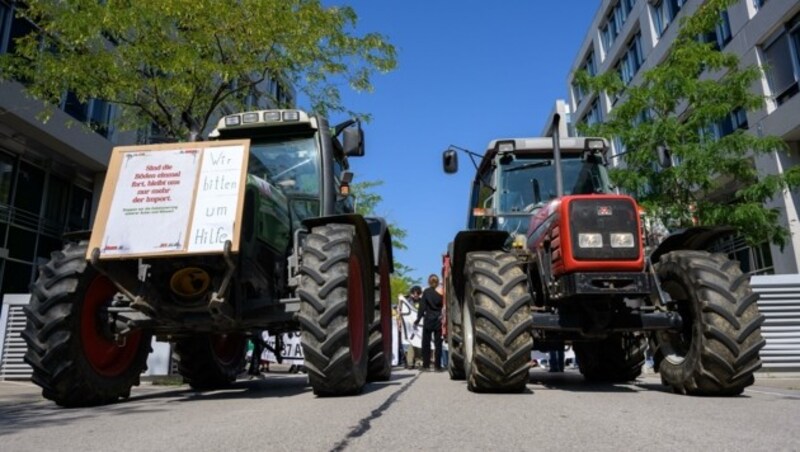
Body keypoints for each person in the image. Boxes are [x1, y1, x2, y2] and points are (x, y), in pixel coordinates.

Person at [414, 274, 444, 372]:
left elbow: (422, 307)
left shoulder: (426, 292)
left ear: (429, 282)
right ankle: (438, 366)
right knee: (438, 343)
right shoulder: (441, 293)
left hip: (428, 320)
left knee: (426, 343)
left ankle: (426, 365)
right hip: (438, 319)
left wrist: (418, 319)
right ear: (437, 281)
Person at [400, 286, 422, 369]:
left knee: (419, 343)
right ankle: (410, 363)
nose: (416, 295)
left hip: (419, 326)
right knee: (411, 343)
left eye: (418, 293)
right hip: (409, 326)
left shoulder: (421, 301)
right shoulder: (407, 301)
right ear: (411, 293)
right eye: (414, 293)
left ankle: (418, 361)